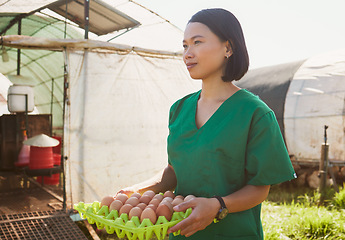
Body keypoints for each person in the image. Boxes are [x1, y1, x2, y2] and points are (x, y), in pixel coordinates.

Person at [117, 8, 296, 239]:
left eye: (197, 42)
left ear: (228, 48)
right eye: (184, 46)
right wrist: (136, 191)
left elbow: (260, 188)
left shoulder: (255, 114)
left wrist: (218, 205)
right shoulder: (179, 109)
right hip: (180, 232)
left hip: (232, 233)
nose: (187, 54)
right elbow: (173, 172)